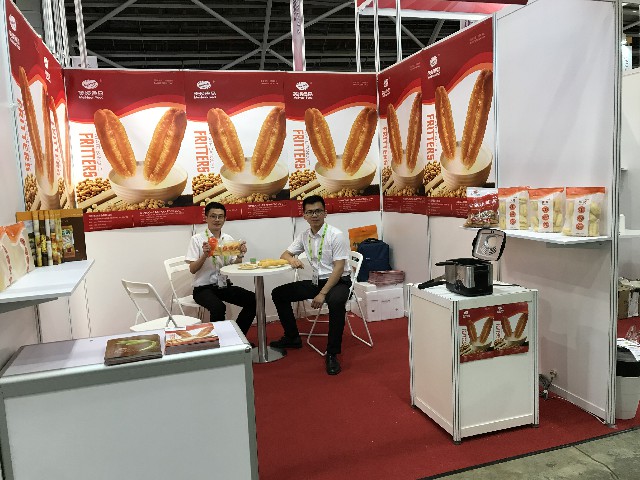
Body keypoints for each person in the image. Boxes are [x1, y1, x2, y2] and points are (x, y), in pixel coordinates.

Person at [270, 195, 351, 375]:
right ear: (304, 215)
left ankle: (332, 353)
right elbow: (285, 254)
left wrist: (322, 293)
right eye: (310, 212)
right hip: (317, 281)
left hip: (338, 281)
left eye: (318, 211)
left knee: (336, 302)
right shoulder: (304, 236)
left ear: (325, 213)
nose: (314, 215)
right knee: (278, 293)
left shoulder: (336, 235)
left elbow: (339, 268)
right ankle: (292, 337)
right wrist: (292, 259)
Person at [186, 202, 256, 336]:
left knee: (254, 300)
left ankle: (238, 336)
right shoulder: (197, 239)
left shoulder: (228, 239)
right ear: (206, 218)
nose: (217, 220)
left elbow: (234, 265)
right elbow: (192, 269)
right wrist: (204, 255)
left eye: (220, 216)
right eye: (213, 216)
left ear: (225, 219)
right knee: (218, 307)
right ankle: (220, 342)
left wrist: (240, 255)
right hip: (203, 288)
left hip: (223, 285)